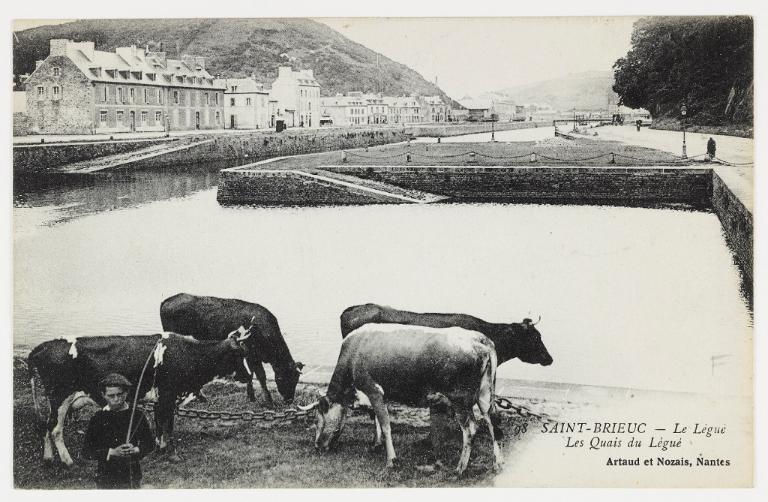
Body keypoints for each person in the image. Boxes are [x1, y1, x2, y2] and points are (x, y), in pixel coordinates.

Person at [83, 373, 155, 489]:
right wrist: (112, 452)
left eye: (120, 394)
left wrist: (135, 450)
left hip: (132, 477)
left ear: (126, 393)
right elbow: (86, 451)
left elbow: (150, 444)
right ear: (103, 395)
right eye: (111, 396)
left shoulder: (137, 416)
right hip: (105, 478)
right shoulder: (98, 418)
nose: (116, 399)